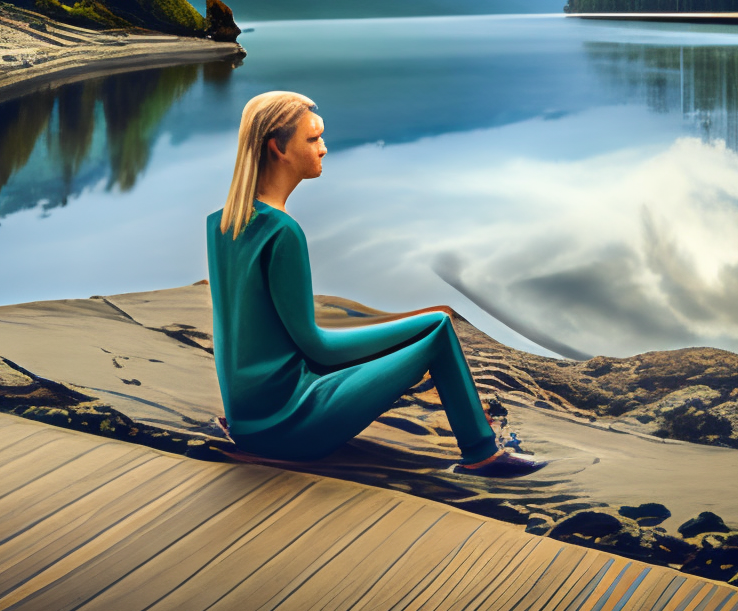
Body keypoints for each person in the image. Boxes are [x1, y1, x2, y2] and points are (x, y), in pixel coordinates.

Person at [206, 90, 546, 477]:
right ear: (278, 149)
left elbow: (243, 335)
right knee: (437, 330)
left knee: (426, 327)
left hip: (247, 419)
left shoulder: (220, 224)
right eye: (313, 139)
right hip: (288, 426)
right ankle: (482, 453)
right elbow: (318, 349)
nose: (324, 149)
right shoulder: (282, 232)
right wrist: (417, 325)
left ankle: (480, 445)